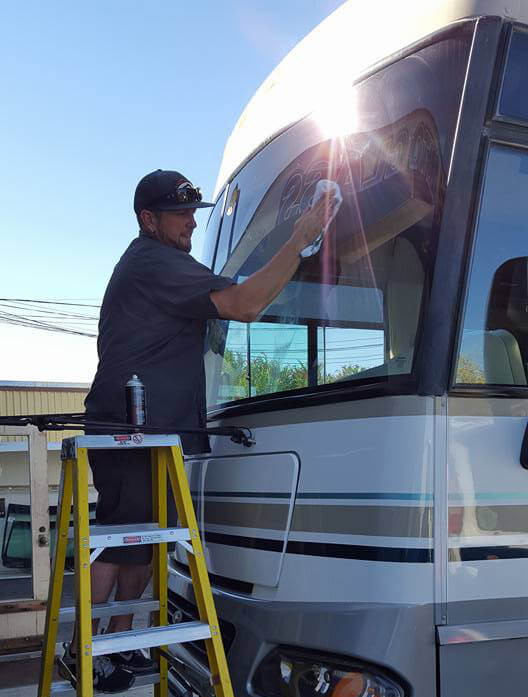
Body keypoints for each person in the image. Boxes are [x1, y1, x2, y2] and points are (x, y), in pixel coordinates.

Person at [60, 169, 335, 692]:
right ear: (149, 220)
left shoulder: (165, 263)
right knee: (122, 543)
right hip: (128, 429)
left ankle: (123, 645)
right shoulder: (155, 261)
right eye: (181, 213)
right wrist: (300, 239)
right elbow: (246, 304)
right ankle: (84, 653)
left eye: (194, 213)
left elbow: (238, 298)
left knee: (143, 545)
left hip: (154, 430)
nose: (191, 222)